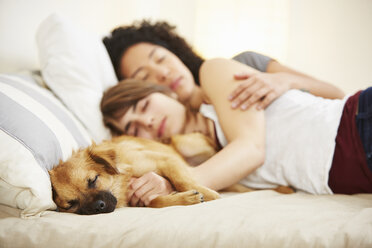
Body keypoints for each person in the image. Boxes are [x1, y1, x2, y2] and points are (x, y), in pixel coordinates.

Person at [101, 58, 372, 207]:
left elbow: (251, 149)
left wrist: (176, 182)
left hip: (358, 125)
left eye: (144, 105)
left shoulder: (215, 72)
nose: (147, 121)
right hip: (356, 175)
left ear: (167, 92)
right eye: (133, 127)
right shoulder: (206, 160)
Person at [103, 20, 344, 111]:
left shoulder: (244, 64)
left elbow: (336, 94)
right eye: (145, 76)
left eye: (161, 58)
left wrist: (285, 81)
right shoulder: (176, 134)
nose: (163, 73)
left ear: (175, 52)